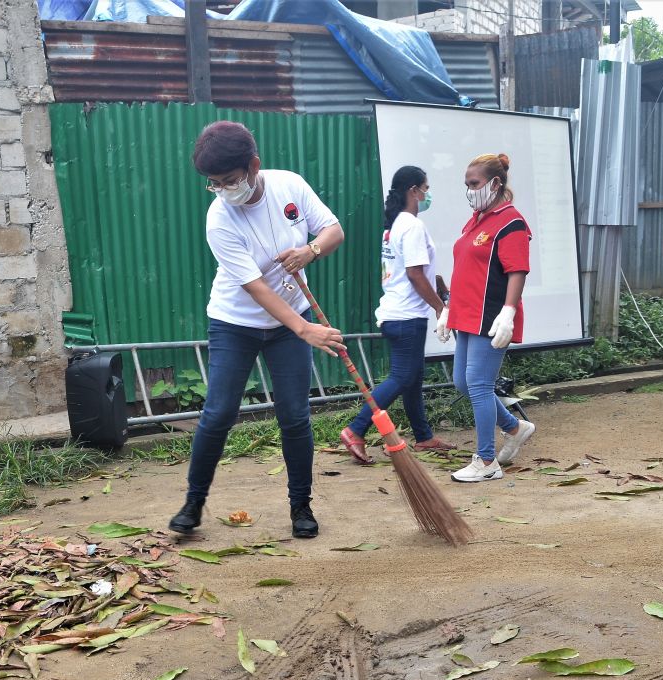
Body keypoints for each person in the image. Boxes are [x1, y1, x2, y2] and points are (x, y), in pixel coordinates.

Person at [168, 121, 345, 540]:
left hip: (290, 323)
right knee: (219, 413)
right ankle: (194, 501)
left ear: (253, 165)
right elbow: (257, 288)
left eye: (229, 180)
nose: (223, 190)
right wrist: (306, 330)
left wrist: (310, 250)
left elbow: (333, 229)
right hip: (236, 323)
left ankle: (301, 505)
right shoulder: (219, 219)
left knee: (295, 416)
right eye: (213, 184)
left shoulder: (290, 185)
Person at [339, 165, 454, 464]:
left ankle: (424, 436)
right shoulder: (412, 226)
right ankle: (356, 429)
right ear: (413, 190)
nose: (427, 195)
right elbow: (415, 274)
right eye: (425, 189)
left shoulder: (396, 225)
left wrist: (438, 285)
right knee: (403, 376)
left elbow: (412, 272)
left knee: (412, 377)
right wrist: (440, 307)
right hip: (406, 317)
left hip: (396, 313)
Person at [439, 152, 536, 482]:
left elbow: (517, 270)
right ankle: (513, 426)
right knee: (463, 382)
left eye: (475, 184)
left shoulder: (512, 222)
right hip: (465, 315)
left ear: (495, 183)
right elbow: (466, 268)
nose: (470, 190)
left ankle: (485, 461)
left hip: (491, 316)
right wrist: (448, 307)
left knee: (478, 385)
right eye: (466, 184)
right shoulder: (476, 220)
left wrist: (508, 313)